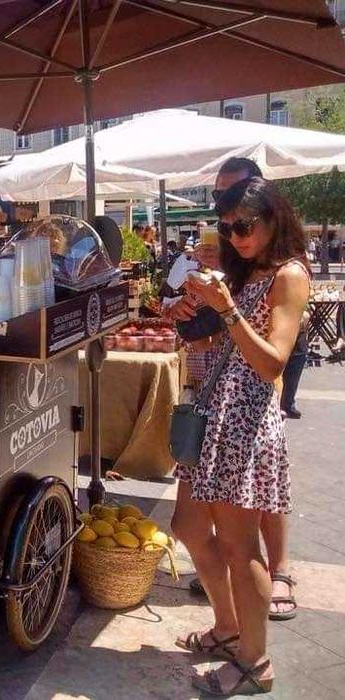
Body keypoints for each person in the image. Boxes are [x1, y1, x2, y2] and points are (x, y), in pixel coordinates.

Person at [169, 178, 309, 696]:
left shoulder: (290, 276)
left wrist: (226, 309)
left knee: (238, 544)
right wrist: (189, 314)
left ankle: (255, 662)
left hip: (245, 423)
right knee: (186, 525)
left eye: (244, 226)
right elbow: (223, 335)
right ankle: (228, 627)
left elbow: (273, 359)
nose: (236, 236)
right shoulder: (251, 271)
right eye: (228, 228)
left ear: (273, 218)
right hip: (218, 414)